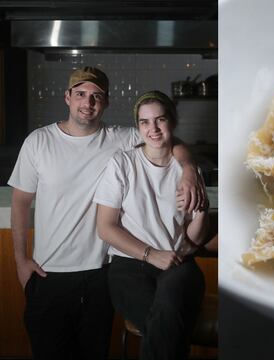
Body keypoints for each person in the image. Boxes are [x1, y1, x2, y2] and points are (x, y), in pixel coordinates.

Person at [8, 67, 205, 360]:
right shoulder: (39, 141)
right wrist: (21, 260)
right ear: (68, 98)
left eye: (96, 96)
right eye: (81, 95)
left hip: (101, 271)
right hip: (49, 271)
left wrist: (189, 169)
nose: (88, 103)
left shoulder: (121, 139)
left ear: (106, 102)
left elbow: (165, 138)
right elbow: (21, 203)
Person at [95, 90, 209, 360]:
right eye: (145, 122)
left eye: (160, 120)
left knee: (167, 316)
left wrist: (201, 210)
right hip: (129, 267)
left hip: (179, 265)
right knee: (168, 325)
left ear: (173, 122)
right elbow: (106, 227)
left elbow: (193, 241)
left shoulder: (188, 173)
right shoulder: (122, 164)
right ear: (138, 127)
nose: (153, 128)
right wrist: (150, 254)